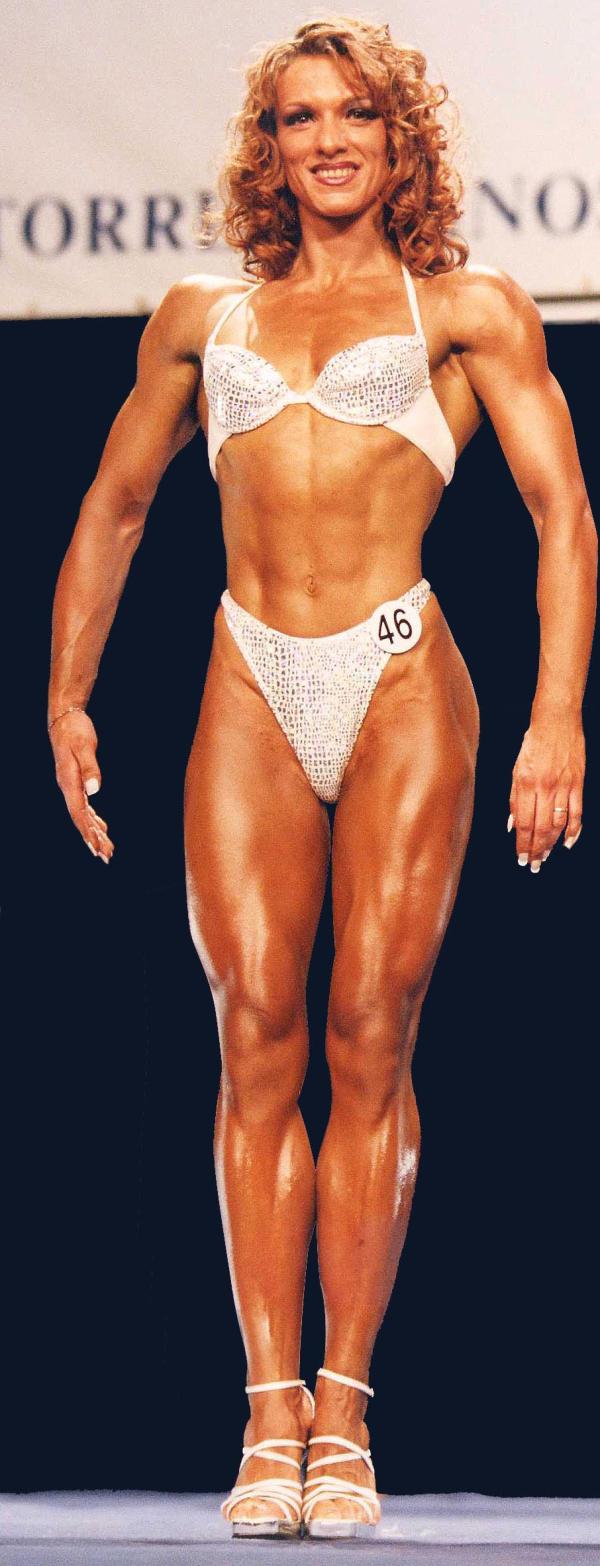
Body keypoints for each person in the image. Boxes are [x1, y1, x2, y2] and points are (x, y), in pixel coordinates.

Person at [47, 13, 596, 1541]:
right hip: (248, 672)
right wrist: (65, 692)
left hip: (405, 672)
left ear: (397, 137)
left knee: (370, 1032)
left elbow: (563, 515)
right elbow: (115, 502)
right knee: (253, 1039)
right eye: (299, 117)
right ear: (269, 149)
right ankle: (268, 1406)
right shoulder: (199, 317)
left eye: (355, 112)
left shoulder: (468, 309)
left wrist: (557, 716)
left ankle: (346, 1407)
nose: (329, 138)